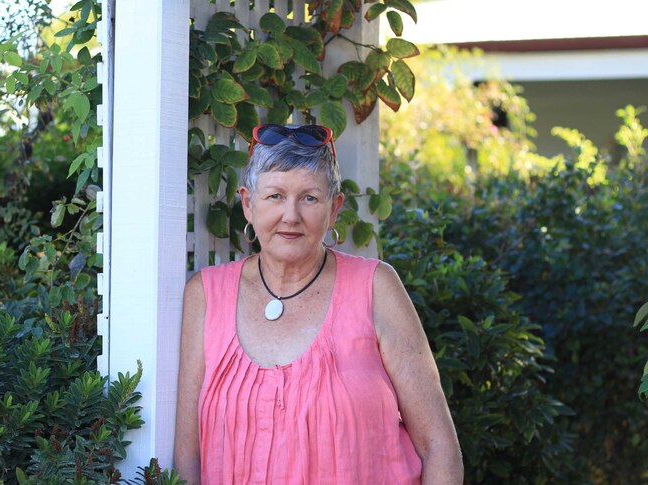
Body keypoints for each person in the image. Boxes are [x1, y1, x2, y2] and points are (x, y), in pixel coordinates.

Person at [174, 124, 462, 484]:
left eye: (309, 198)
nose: (291, 216)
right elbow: (187, 459)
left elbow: (439, 446)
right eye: (275, 196)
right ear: (248, 203)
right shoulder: (205, 295)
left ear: (334, 208)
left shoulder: (376, 287)